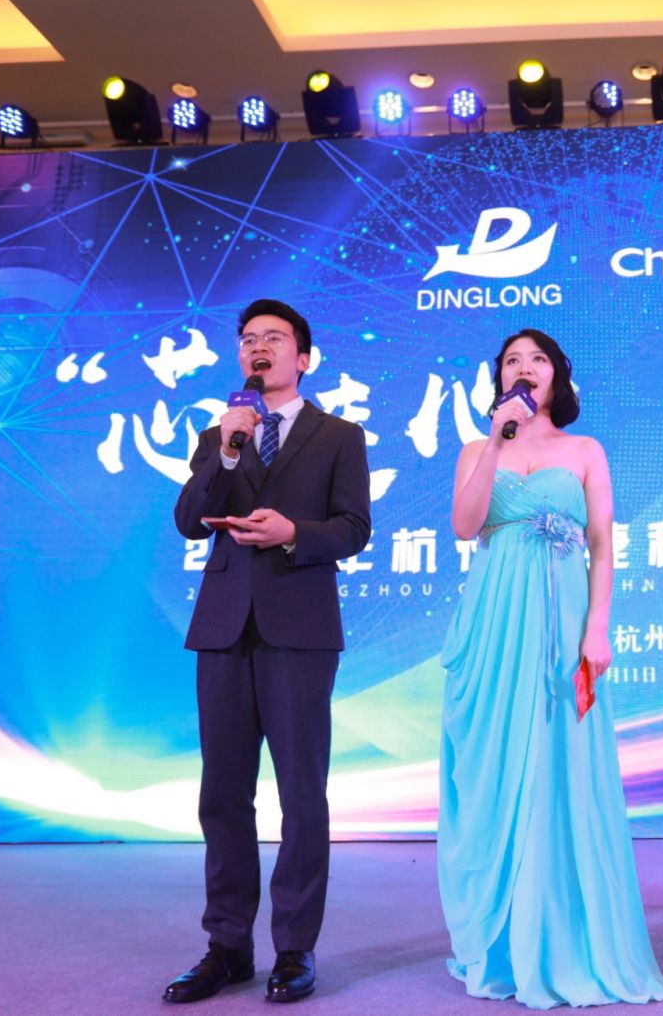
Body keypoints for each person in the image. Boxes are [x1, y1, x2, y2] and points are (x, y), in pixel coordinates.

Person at [436, 329, 663, 1009]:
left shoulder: (584, 450)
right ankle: (499, 939)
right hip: (493, 621)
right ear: (499, 378)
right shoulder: (477, 448)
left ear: (557, 376)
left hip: (561, 618)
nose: (524, 369)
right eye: (511, 362)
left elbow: (602, 544)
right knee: (492, 765)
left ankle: (564, 936)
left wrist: (597, 626)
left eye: (537, 360)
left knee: (559, 761)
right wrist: (496, 442)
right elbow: (464, 526)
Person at [165, 299, 372, 1004]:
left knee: (301, 796)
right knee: (223, 795)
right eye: (249, 339)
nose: (259, 348)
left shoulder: (339, 435)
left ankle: (294, 949)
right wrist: (228, 449)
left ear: (302, 358)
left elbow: (354, 528)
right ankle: (226, 947)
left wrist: (293, 533)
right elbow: (191, 521)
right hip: (223, 629)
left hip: (299, 629)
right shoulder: (219, 432)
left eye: (274, 339)